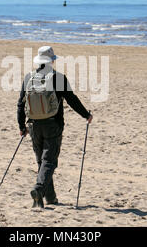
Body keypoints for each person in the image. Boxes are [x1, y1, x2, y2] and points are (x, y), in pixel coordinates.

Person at [17, 46, 93, 208]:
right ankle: (39, 189)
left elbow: (20, 104)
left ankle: (50, 198)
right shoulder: (58, 78)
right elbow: (72, 99)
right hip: (53, 125)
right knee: (49, 162)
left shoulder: (29, 78)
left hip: (33, 125)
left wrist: (21, 125)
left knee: (42, 162)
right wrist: (86, 115)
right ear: (52, 61)